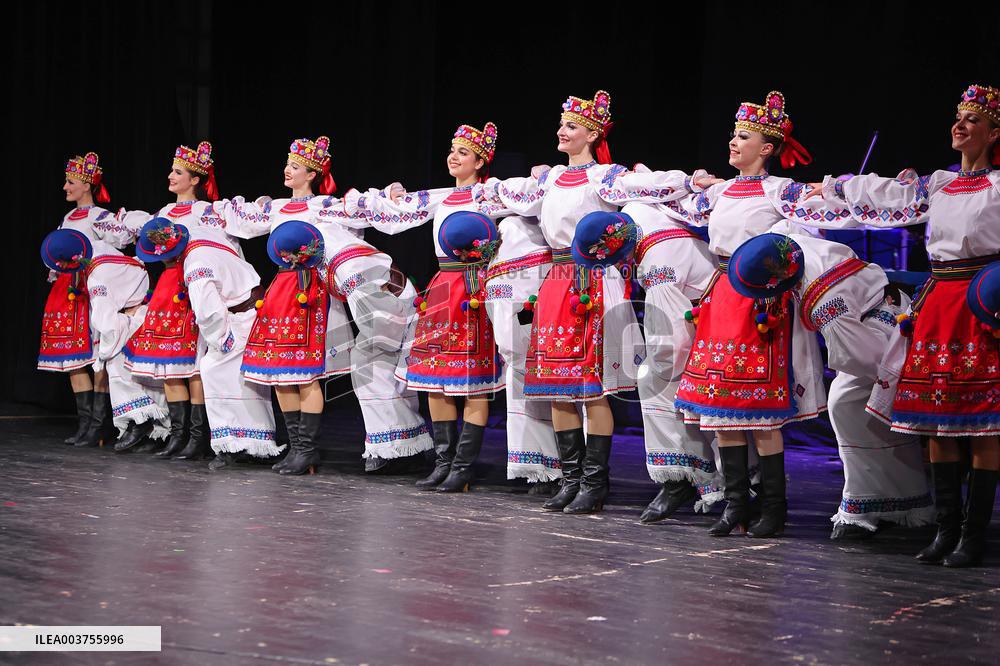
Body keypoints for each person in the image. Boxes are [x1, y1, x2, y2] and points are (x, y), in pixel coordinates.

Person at [805, 83, 1000, 566]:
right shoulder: (939, 185)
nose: (961, 125)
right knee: (937, 418)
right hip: (938, 304)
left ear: (995, 133)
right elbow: (884, 190)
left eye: (974, 120)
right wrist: (831, 188)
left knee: (980, 423)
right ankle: (945, 528)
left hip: (981, 302)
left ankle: (973, 535)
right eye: (958, 117)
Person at [485, 90, 698, 514]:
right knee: (556, 386)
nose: (562, 131)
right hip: (557, 278)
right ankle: (571, 478)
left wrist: (690, 182)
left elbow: (648, 183)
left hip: (595, 279)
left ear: (593, 133)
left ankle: (595, 483)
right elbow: (503, 193)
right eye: (562, 124)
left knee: (591, 386)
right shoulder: (547, 180)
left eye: (571, 126)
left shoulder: (604, 176)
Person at [664, 90, 848, 536]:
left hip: (762, 302)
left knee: (759, 408)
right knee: (720, 404)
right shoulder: (722, 190)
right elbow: (671, 204)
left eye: (742, 136)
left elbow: (818, 219)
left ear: (766, 149)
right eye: (732, 135)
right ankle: (735, 504)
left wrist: (835, 189)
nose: (732, 142)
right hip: (722, 296)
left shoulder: (779, 190)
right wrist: (689, 184)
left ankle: (773, 507)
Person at [729, 232, 933, 540]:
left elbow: (859, 354)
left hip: (884, 334)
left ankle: (866, 505)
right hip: (887, 307)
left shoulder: (824, 301)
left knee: (846, 403)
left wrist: (889, 384)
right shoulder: (794, 243)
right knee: (850, 404)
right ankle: (904, 499)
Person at [343, 123, 507, 492]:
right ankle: (444, 461)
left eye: (463, 152)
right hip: (442, 289)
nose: (453, 156)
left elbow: (535, 202)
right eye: (452, 149)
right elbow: (393, 211)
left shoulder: (492, 195)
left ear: (481, 161)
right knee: (436, 379)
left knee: (473, 383)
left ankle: (463, 467)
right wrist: (388, 193)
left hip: (474, 289)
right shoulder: (442, 197)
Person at [135, 220, 285, 470]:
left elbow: (208, 311)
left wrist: (220, 340)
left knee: (212, 368)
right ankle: (255, 441)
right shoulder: (203, 235)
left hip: (242, 315)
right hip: (255, 306)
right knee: (243, 378)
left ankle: (230, 445)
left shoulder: (195, 265)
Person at [620, 200, 727, 521]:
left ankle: (684, 476)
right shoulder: (652, 225)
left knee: (655, 377)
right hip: (710, 318)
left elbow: (672, 344)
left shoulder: (656, 263)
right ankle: (712, 477)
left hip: (715, 328)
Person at [117, 142, 225, 459]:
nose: (170, 176)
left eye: (177, 172)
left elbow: (219, 250)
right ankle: (177, 435)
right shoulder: (163, 212)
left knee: (192, 365)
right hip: (166, 284)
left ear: (194, 179)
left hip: (191, 285)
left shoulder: (207, 212)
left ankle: (197, 437)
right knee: (169, 363)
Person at [40, 229, 169, 449]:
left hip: (133, 318)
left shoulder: (97, 279)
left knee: (118, 369)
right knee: (144, 374)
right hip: (143, 309)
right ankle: (154, 431)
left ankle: (141, 422)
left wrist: (104, 355)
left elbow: (108, 324)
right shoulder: (99, 249)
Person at [42, 152, 130, 446]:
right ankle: (85, 424)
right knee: (74, 359)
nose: (65, 188)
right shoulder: (68, 217)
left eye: (70, 182)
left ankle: (99, 425)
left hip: (91, 289)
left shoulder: (99, 216)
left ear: (86, 185)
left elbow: (121, 241)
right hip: (67, 289)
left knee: (96, 357)